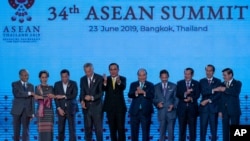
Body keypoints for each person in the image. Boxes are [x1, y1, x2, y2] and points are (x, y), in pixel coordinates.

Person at [213, 68, 242, 141]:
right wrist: (220, 111)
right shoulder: (222, 84)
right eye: (223, 75)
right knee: (225, 130)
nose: (223, 77)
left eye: (225, 75)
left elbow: (235, 92)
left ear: (230, 74)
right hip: (224, 111)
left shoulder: (237, 83)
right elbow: (220, 99)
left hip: (234, 111)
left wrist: (225, 89)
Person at [128, 68, 154, 141]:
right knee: (134, 133)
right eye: (140, 75)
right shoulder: (133, 84)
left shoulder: (150, 85)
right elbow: (130, 94)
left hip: (146, 112)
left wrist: (144, 92)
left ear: (146, 76)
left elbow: (152, 96)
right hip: (134, 112)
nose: (142, 77)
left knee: (146, 133)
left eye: (144, 75)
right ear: (137, 76)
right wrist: (136, 93)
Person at [79, 63, 103, 141]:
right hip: (86, 109)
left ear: (92, 69)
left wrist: (92, 97)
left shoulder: (99, 78)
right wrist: (82, 101)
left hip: (97, 108)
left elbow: (101, 93)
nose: (87, 73)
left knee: (98, 130)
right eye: (86, 71)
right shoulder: (82, 79)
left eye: (89, 71)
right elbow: (82, 92)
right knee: (87, 130)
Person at [103, 63, 127, 141]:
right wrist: (105, 82)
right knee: (112, 130)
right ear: (109, 70)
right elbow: (103, 89)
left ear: (118, 70)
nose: (113, 71)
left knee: (121, 129)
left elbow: (122, 87)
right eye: (111, 69)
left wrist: (119, 82)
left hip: (120, 109)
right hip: (110, 109)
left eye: (115, 69)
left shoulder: (122, 78)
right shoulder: (106, 79)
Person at [54, 69, 79, 141]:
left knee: (72, 130)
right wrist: (59, 108)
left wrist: (63, 96)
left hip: (71, 109)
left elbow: (74, 95)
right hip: (60, 110)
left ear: (69, 76)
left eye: (66, 76)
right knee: (60, 130)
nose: (64, 78)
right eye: (62, 77)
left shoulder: (73, 83)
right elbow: (56, 98)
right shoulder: (57, 84)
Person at [153, 69, 178, 141]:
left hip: (171, 113)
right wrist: (157, 104)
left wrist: (173, 105)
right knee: (162, 133)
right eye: (162, 77)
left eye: (165, 77)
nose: (164, 79)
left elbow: (176, 98)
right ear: (160, 77)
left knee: (171, 133)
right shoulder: (156, 87)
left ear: (168, 77)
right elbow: (153, 99)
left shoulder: (174, 86)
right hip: (161, 112)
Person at [11, 69, 35, 141]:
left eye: (27, 75)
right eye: (25, 75)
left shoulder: (31, 85)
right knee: (16, 131)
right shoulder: (15, 84)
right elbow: (17, 94)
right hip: (17, 111)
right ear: (20, 76)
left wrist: (33, 112)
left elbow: (32, 100)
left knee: (26, 131)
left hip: (27, 111)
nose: (26, 77)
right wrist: (29, 93)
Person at [176, 68, 200, 141]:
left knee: (192, 130)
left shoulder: (196, 83)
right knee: (182, 129)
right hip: (182, 110)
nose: (186, 75)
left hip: (192, 110)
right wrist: (185, 94)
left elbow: (197, 94)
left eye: (188, 74)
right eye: (185, 74)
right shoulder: (179, 83)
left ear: (192, 75)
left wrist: (191, 99)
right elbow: (178, 94)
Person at [199, 65, 221, 141]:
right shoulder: (201, 81)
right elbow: (203, 92)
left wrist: (208, 100)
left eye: (210, 70)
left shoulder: (218, 81)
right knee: (202, 130)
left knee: (214, 130)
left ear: (213, 72)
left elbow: (218, 94)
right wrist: (213, 90)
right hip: (204, 110)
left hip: (213, 109)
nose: (208, 72)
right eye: (207, 70)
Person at [34, 70, 55, 141]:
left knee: (49, 131)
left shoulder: (51, 87)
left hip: (49, 112)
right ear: (40, 78)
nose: (44, 79)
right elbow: (36, 98)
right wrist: (45, 97)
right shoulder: (37, 88)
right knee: (41, 131)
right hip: (40, 112)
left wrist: (41, 97)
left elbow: (53, 97)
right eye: (42, 77)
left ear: (48, 78)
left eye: (45, 77)